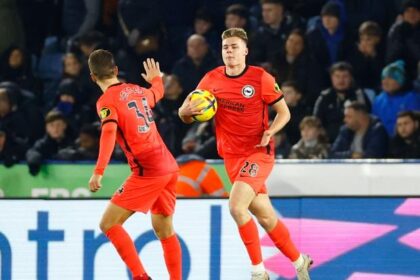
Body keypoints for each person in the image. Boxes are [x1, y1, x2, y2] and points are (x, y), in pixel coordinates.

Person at [178, 28, 312, 280]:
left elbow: (284, 112)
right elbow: (186, 114)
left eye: (234, 47)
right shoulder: (210, 79)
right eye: (226, 47)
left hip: (258, 153)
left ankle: (258, 272)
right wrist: (183, 111)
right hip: (231, 156)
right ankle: (299, 260)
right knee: (265, 216)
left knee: (236, 207)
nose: (229, 51)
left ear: (245, 51)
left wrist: (271, 131)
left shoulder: (260, 78)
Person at [87, 50, 182, 280]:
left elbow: (109, 132)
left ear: (93, 77)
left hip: (149, 170)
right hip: (169, 166)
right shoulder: (138, 91)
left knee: (108, 224)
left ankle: (141, 277)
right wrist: (157, 79)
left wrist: (99, 172)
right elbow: (156, 93)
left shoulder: (106, 101)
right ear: (116, 71)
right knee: (164, 230)